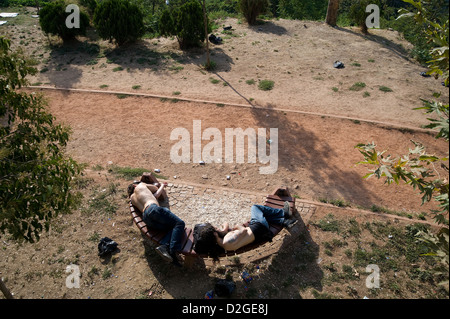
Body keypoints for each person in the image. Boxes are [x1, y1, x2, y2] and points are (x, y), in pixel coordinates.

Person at [194, 202, 297, 256]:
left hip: (257, 234)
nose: (216, 227)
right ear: (214, 234)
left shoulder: (221, 244)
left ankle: (283, 221)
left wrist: (223, 230)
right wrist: (237, 226)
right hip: (259, 227)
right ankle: (283, 213)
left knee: (261, 216)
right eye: (214, 228)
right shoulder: (228, 239)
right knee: (255, 208)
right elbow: (243, 230)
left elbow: (226, 225)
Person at [129, 182, 185, 267]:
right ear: (134, 185)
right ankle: (173, 251)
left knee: (173, 228)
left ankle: (165, 246)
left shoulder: (132, 198)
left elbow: (151, 197)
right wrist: (162, 185)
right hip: (153, 209)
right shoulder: (140, 185)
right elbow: (155, 188)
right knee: (179, 224)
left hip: (147, 219)